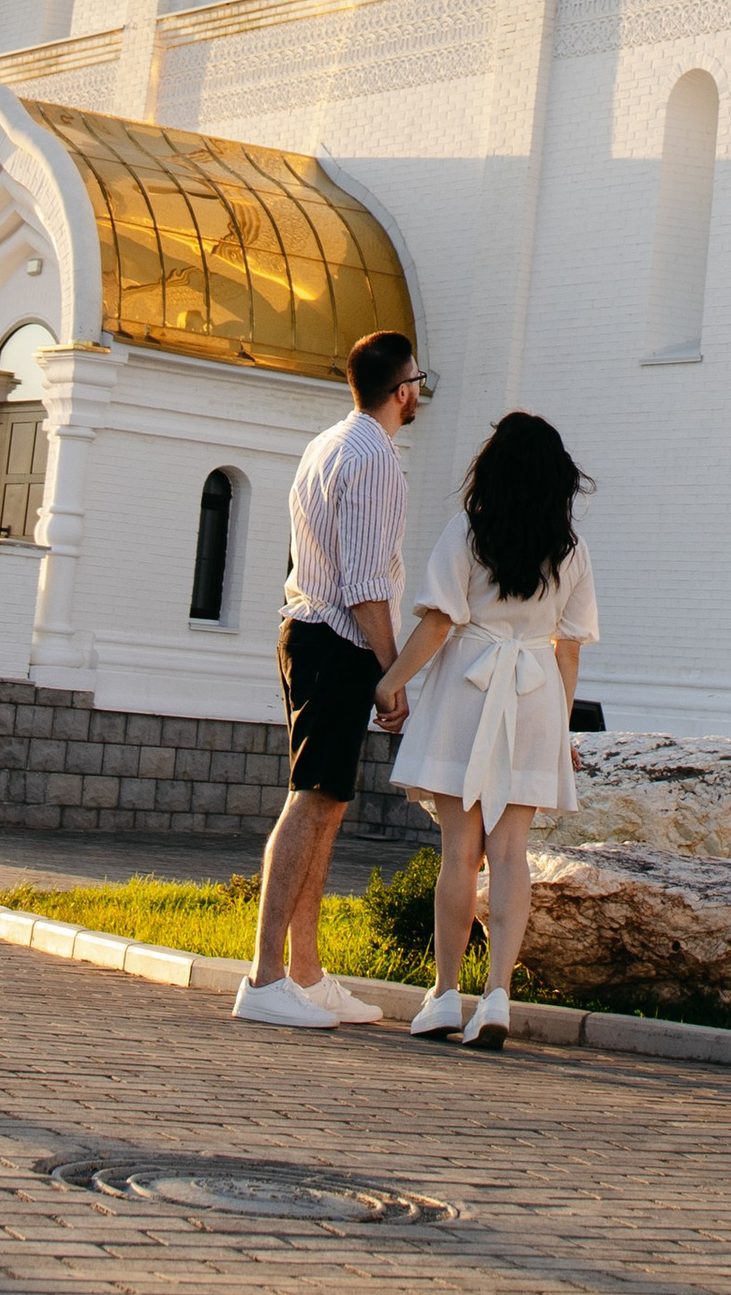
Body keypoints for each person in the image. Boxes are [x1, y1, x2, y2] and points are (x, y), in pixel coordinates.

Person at [376, 411, 600, 1052]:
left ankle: (445, 994)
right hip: (533, 695)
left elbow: (440, 623)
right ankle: (497, 993)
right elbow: (570, 648)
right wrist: (559, 726)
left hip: (466, 694)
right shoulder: (572, 548)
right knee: (510, 853)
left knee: (459, 851)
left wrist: (391, 681)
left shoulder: (469, 533)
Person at [231, 329, 431, 1033]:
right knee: (311, 801)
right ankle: (265, 977)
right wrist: (393, 672)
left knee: (327, 803)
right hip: (338, 641)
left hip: (309, 632)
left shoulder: (327, 443)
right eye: (417, 382)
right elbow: (366, 584)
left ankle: (307, 973)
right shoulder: (375, 457)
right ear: (400, 388)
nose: (418, 394)